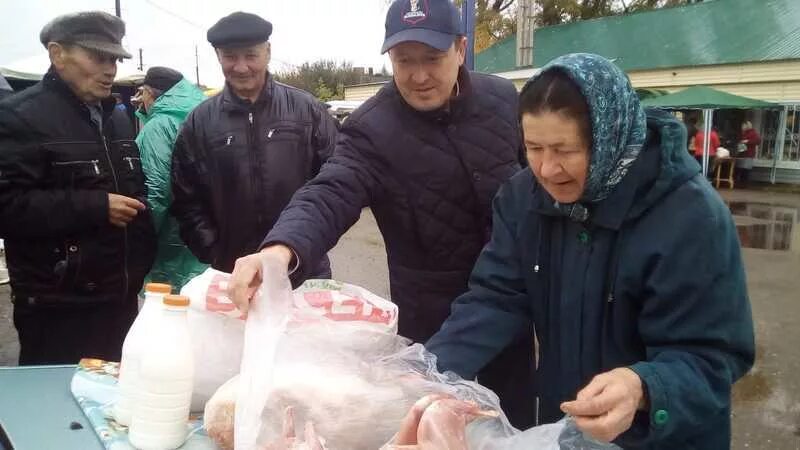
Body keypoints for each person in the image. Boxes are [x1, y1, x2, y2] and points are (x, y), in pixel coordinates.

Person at [229, 0, 535, 428]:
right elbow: (330, 191)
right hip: (431, 323)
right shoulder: (372, 127)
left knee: (514, 422)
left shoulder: (503, 101)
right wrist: (280, 250)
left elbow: (539, 184)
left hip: (512, 309)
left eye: (432, 58)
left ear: (461, 50)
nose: (419, 75)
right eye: (404, 61)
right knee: (431, 426)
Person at [424, 53, 755, 448]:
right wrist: (431, 372)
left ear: (608, 135)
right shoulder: (522, 197)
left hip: (664, 436)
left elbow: (713, 357)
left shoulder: (691, 217)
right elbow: (496, 297)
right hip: (566, 430)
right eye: (533, 147)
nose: (547, 169)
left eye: (565, 150)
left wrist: (643, 386)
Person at [0, 11, 156, 365]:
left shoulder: (117, 116)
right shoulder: (19, 116)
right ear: (58, 54)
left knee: (115, 411)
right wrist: (95, 207)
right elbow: (6, 206)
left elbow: (134, 186)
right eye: (97, 57)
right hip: (59, 309)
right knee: (57, 413)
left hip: (121, 297)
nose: (110, 69)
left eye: (114, 58)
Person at [171, 11, 338, 277]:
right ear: (218, 57)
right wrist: (215, 252)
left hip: (304, 266)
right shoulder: (199, 122)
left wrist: (310, 243)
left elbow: (335, 185)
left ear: (268, 52)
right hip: (233, 272)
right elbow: (186, 198)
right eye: (230, 56)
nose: (241, 67)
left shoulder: (307, 111)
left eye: (250, 55)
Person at [136, 67, 209, 290]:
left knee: (170, 309)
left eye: (142, 93)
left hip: (173, 241)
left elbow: (157, 188)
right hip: (209, 234)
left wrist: (141, 239)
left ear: (150, 93)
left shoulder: (158, 127)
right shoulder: (206, 116)